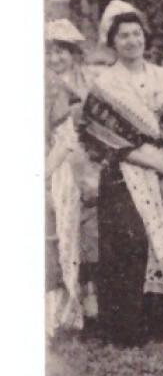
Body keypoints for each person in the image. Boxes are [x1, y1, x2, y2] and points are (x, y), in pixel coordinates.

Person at [77, 1, 163, 347]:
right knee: (129, 244)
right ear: (112, 42)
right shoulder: (105, 84)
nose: (131, 41)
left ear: (145, 37)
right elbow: (105, 136)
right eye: (123, 36)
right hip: (124, 173)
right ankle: (125, 326)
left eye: (136, 34)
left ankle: (159, 320)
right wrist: (154, 162)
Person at [46, 19, 91, 337]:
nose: (56, 59)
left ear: (75, 54)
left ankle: (86, 304)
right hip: (56, 160)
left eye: (62, 52)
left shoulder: (86, 84)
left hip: (84, 159)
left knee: (84, 232)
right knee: (57, 231)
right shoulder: (45, 85)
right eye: (51, 53)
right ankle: (59, 308)